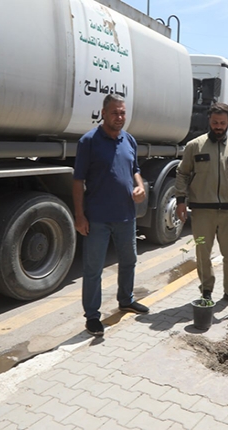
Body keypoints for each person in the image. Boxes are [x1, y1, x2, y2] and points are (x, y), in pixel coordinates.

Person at [73, 94, 149, 337]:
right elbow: (78, 180)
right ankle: (92, 316)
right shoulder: (89, 141)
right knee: (93, 269)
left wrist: (140, 187)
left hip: (126, 215)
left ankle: (126, 299)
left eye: (122, 112)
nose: (119, 117)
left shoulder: (129, 140)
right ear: (103, 113)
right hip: (97, 217)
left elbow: (135, 170)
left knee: (129, 260)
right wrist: (79, 216)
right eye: (115, 112)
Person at [175, 103, 228, 306]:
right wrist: (180, 201)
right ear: (209, 121)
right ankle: (206, 291)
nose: (218, 126)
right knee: (203, 254)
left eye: (222, 123)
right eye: (215, 122)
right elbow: (182, 174)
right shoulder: (194, 146)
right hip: (202, 212)